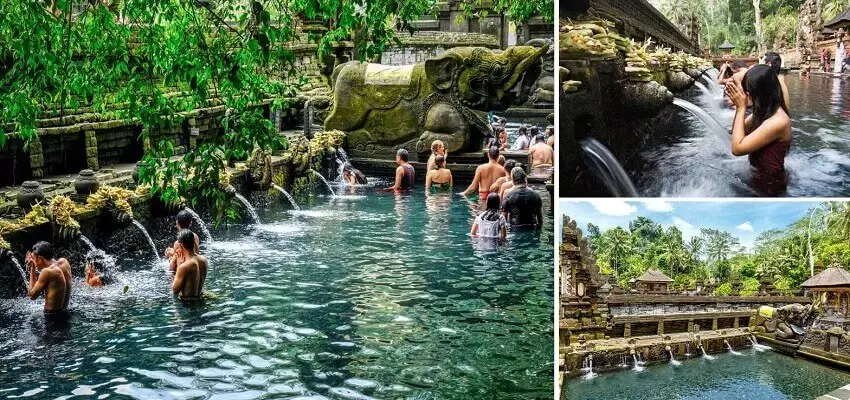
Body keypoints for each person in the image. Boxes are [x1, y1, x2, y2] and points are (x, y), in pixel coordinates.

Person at [725, 64, 791, 196]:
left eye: (749, 93)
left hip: (771, 184)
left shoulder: (778, 121)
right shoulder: (764, 111)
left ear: (761, 92)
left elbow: (737, 149)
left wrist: (741, 109)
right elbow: (737, 132)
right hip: (759, 175)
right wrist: (740, 108)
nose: (747, 96)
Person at [26, 241, 72, 317]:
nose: (33, 261)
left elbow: (32, 295)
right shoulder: (64, 262)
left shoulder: (47, 272)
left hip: (51, 318)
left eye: (34, 258)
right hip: (65, 313)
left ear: (40, 258)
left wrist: (32, 268)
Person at [172, 229, 208, 301]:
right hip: (200, 299)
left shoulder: (184, 266)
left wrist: (179, 265)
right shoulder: (204, 260)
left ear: (180, 245)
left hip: (187, 305)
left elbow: (175, 290)